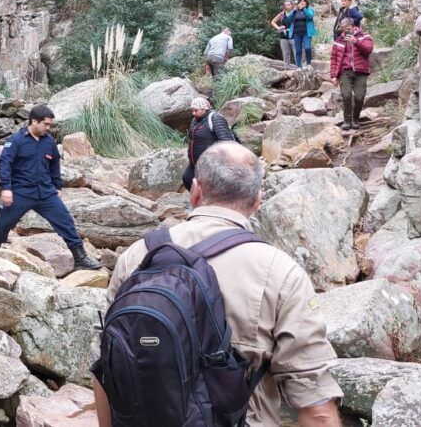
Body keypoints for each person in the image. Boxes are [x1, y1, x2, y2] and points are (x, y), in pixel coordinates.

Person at [95, 143, 343, 427]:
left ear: (196, 190)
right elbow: (316, 409)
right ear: (257, 200)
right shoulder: (280, 272)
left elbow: (105, 366)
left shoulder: (137, 256)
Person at [0, 105, 102, 271]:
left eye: (50, 125)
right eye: (46, 124)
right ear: (34, 121)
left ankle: (80, 257)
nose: (48, 128)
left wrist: (57, 186)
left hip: (45, 193)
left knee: (65, 221)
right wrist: (6, 188)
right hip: (21, 192)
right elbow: (5, 164)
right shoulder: (15, 141)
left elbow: (54, 166)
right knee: (3, 224)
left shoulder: (49, 142)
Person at [329, 18, 375, 133]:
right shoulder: (339, 40)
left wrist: (356, 42)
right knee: (346, 95)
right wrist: (334, 76)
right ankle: (347, 121)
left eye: (348, 29)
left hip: (361, 71)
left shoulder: (364, 36)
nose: (346, 32)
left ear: (353, 26)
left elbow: (368, 50)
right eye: (344, 30)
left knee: (359, 96)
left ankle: (355, 118)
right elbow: (334, 58)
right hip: (345, 71)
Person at [182, 96, 234, 190]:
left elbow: (227, 141)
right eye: (192, 110)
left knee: (208, 186)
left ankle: (208, 202)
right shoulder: (195, 120)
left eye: (196, 110)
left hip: (210, 162)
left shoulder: (215, 118)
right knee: (187, 178)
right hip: (195, 162)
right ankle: (199, 201)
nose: (193, 113)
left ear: (205, 109)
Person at [285, 0, 317, 70]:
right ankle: (299, 66)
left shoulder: (309, 10)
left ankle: (309, 64)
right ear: (298, 3)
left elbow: (310, 16)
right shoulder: (295, 11)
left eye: (304, 1)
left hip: (307, 33)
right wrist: (294, 11)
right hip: (297, 33)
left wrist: (303, 9)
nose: (302, 3)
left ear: (306, 3)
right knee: (298, 50)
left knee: (308, 48)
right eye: (301, 2)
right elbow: (289, 18)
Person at [269, 0, 296, 65]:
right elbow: (273, 22)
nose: (287, 6)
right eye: (285, 5)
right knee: (285, 53)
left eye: (288, 4)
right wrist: (278, 28)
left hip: (294, 35)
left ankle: (299, 67)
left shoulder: (296, 13)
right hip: (283, 36)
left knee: (296, 52)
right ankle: (286, 68)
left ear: (292, 5)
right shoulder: (282, 14)